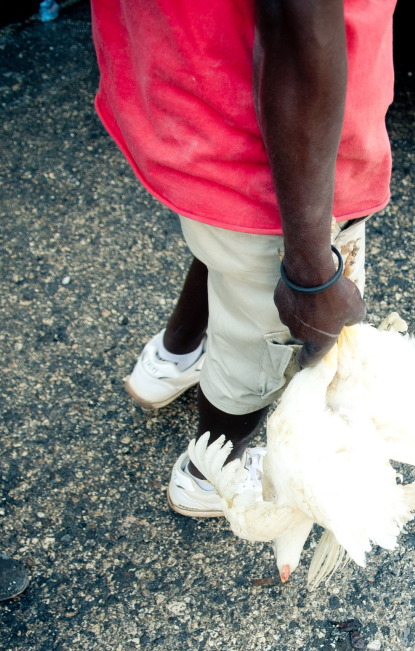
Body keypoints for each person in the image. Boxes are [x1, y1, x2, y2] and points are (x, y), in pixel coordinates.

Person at [90, 0, 397, 517]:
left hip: (191, 106)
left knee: (225, 253)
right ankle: (210, 475)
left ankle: (172, 359)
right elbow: (301, 40)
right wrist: (311, 273)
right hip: (277, 163)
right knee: (259, 338)